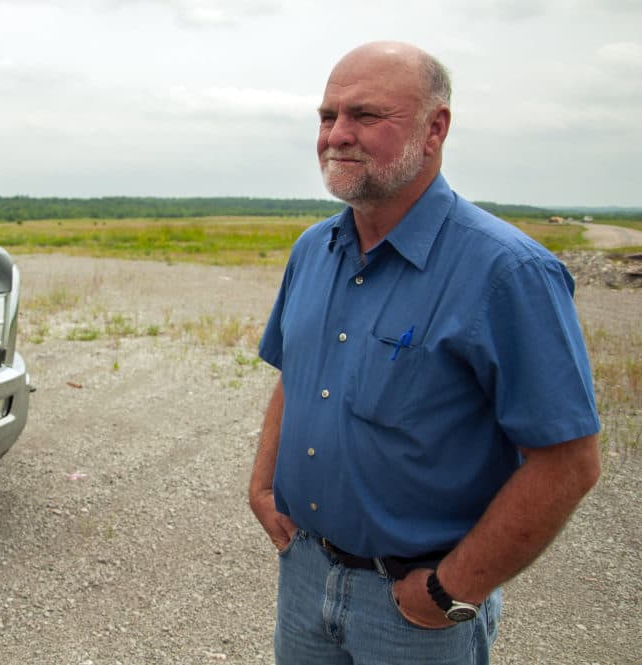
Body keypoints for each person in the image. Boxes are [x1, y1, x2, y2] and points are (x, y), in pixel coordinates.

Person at [249, 41, 601, 665]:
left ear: (434, 128)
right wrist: (263, 487)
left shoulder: (506, 272)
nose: (338, 135)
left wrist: (451, 589)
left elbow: (568, 461)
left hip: (414, 613)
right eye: (328, 117)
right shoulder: (313, 250)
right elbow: (294, 375)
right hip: (304, 576)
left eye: (365, 115)